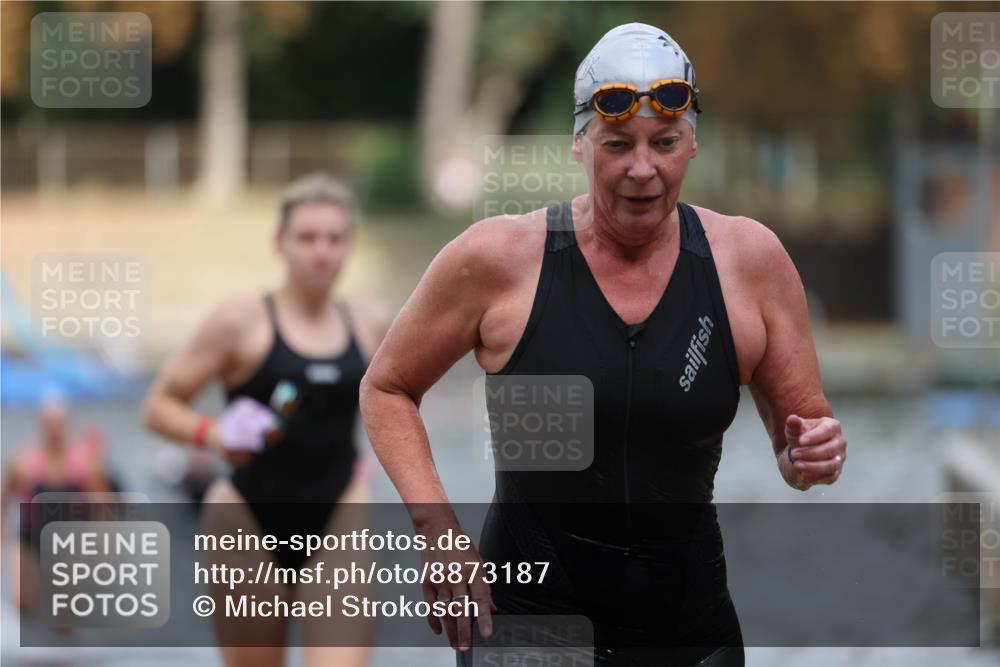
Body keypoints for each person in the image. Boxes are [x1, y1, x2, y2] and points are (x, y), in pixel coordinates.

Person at [360, 23, 848, 667]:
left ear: (692, 143)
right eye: (618, 144)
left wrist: (814, 455)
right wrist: (436, 529)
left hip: (688, 629)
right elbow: (387, 386)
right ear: (579, 144)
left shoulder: (749, 263)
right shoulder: (499, 260)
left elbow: (799, 444)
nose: (643, 169)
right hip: (529, 624)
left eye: (665, 142)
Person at [142, 173, 389, 667]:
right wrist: (212, 434)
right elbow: (158, 406)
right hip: (246, 517)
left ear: (349, 246)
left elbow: (398, 402)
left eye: (335, 238)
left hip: (339, 510)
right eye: (307, 237)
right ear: (280, 243)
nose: (322, 251)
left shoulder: (369, 322)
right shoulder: (240, 321)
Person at [1, 393, 117, 614]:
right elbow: (4, 501)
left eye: (59, 425)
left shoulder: (84, 464)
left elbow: (104, 505)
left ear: (67, 425)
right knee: (22, 602)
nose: (55, 431)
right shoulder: (22, 463)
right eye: (50, 425)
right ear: (41, 426)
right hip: (29, 539)